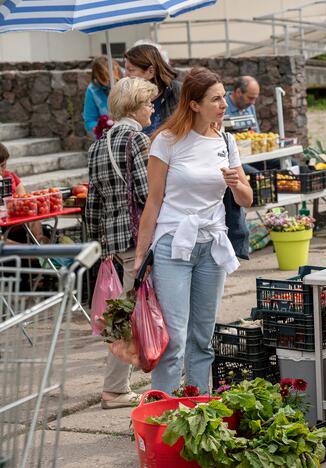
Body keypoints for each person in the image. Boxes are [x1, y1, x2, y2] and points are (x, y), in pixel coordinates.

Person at [133, 68, 253, 394]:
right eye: (216, 98)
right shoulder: (167, 141)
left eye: (224, 96)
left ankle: (198, 411)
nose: (224, 104)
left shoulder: (226, 141)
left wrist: (237, 184)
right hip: (173, 243)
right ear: (195, 104)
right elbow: (153, 202)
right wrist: (142, 255)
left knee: (203, 337)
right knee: (173, 338)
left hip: (212, 245)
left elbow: (247, 198)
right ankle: (164, 412)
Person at [85, 77, 156, 408]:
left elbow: (93, 203)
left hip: (113, 244)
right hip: (138, 238)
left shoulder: (98, 144)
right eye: (147, 103)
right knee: (138, 313)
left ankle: (117, 386)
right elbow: (147, 194)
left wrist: (101, 245)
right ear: (134, 106)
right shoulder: (137, 140)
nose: (152, 108)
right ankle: (114, 389)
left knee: (124, 313)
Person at [124, 43, 182, 136]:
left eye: (131, 70)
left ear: (151, 71)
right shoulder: (126, 95)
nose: (126, 74)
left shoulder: (178, 92)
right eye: (125, 69)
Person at [83, 56, 122, 137]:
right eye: (105, 79)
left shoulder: (128, 81)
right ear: (96, 77)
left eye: (112, 78)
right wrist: (101, 127)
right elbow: (90, 120)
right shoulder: (93, 89)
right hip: (107, 136)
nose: (110, 82)